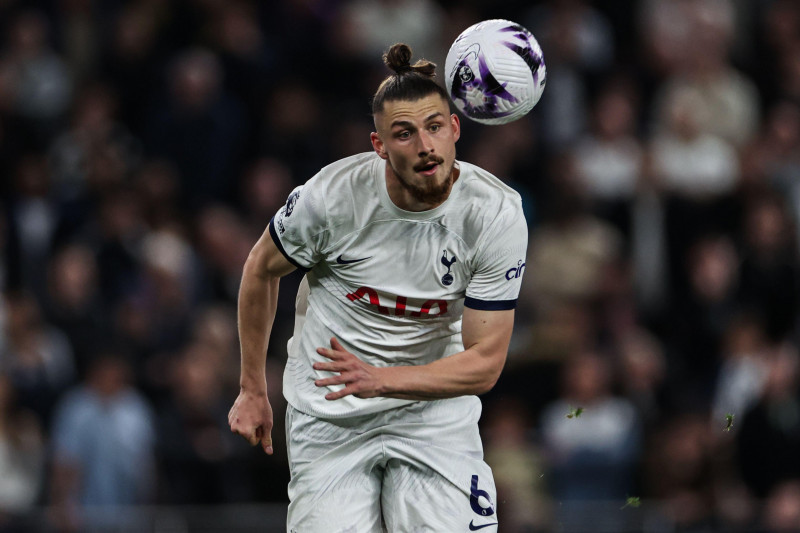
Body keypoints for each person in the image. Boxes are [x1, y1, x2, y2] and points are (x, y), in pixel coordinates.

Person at [228, 43, 528, 532]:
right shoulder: (331, 198)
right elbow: (260, 268)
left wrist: (380, 380)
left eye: (434, 127)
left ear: (454, 129)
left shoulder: (494, 214)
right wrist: (251, 388)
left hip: (433, 418)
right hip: (330, 416)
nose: (425, 146)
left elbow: (485, 363)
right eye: (404, 134)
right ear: (379, 145)